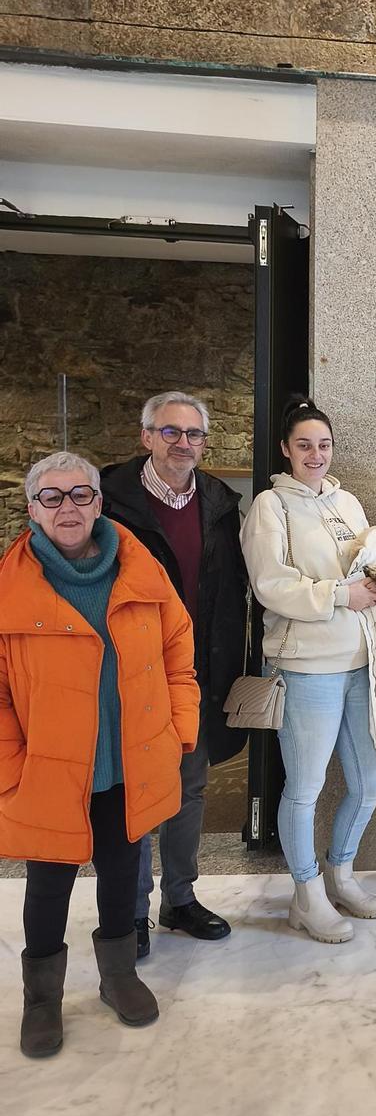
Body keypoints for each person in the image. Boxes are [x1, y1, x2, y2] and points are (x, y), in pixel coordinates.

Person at [0, 452, 199, 1058]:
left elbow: (178, 656)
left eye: (81, 494)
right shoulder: (10, 586)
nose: (69, 508)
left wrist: (176, 735)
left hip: (126, 762)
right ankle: (42, 997)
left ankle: (118, 976)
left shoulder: (141, 572)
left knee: (122, 871)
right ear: (33, 509)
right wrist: (11, 767)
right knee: (48, 884)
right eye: (52, 497)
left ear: (99, 501)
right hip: (49, 768)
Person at [102, 391, 246, 957]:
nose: (182, 443)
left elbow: (230, 591)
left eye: (193, 435)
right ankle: (130, 911)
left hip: (198, 670)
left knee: (190, 787)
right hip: (133, 670)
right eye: (170, 432)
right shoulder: (111, 501)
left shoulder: (217, 501)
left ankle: (179, 899)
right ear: (147, 437)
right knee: (139, 792)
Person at [240, 397, 376, 943]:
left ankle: (340, 874)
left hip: (358, 664)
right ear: (286, 449)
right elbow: (270, 585)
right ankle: (306, 896)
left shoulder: (347, 502)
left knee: (370, 780)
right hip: (305, 666)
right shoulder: (270, 507)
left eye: (323, 444)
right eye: (304, 444)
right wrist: (339, 594)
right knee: (303, 788)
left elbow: (369, 569)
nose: (316, 454)